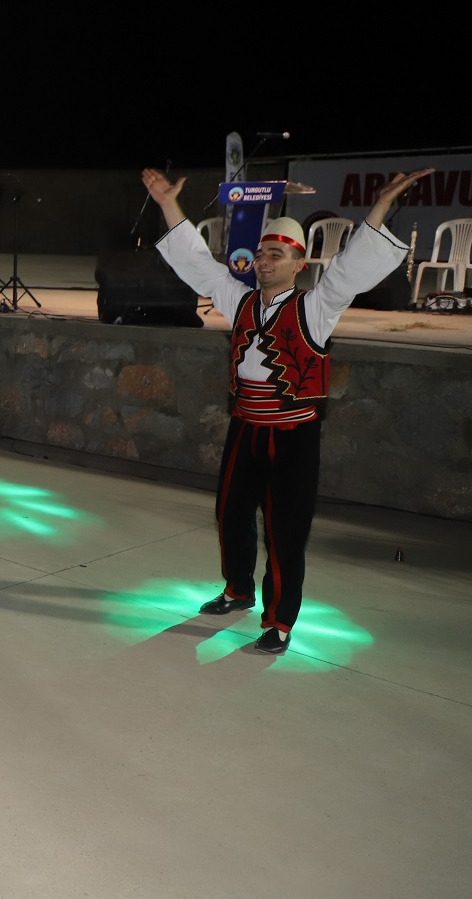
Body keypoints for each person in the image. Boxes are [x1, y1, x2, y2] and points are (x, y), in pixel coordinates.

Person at [143, 165, 426, 656]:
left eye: (276, 254)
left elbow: (350, 268)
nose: (264, 261)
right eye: (260, 254)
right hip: (245, 427)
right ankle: (237, 589)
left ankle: (278, 621)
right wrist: (168, 203)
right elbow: (198, 264)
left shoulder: (317, 306)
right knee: (230, 514)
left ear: (299, 264)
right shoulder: (239, 300)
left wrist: (380, 206)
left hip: (294, 435)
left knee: (285, 530)